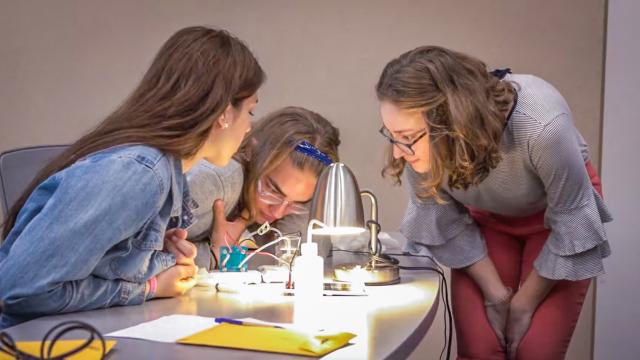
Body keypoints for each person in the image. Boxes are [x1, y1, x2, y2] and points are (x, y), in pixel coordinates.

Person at [0, 26, 265, 329]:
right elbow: (20, 292)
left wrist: (151, 257)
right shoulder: (140, 173)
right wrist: (148, 288)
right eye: (250, 112)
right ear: (224, 112)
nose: (248, 128)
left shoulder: (165, 172)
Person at [375, 46, 611, 360]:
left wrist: (523, 306)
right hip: (486, 220)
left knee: (535, 349)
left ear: (452, 121)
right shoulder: (414, 143)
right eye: (391, 135)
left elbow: (572, 226)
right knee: (480, 348)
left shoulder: (541, 125)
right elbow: (440, 215)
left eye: (405, 136)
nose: (397, 152)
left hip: (559, 221)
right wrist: (497, 295)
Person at [184, 106, 341, 270]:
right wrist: (212, 256)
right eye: (273, 190)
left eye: (297, 202)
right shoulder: (215, 182)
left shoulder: (293, 204)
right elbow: (154, 254)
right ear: (252, 151)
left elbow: (301, 266)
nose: (278, 212)